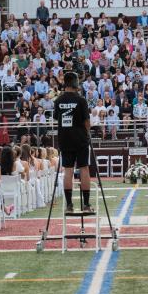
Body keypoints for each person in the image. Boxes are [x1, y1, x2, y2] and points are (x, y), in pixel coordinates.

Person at [53, 71, 94, 214]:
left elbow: (57, 119)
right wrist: (87, 133)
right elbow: (87, 122)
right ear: (76, 83)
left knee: (68, 170)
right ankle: (86, 204)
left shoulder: (58, 100)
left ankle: (69, 205)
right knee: (84, 168)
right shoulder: (81, 100)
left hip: (65, 139)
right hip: (80, 139)